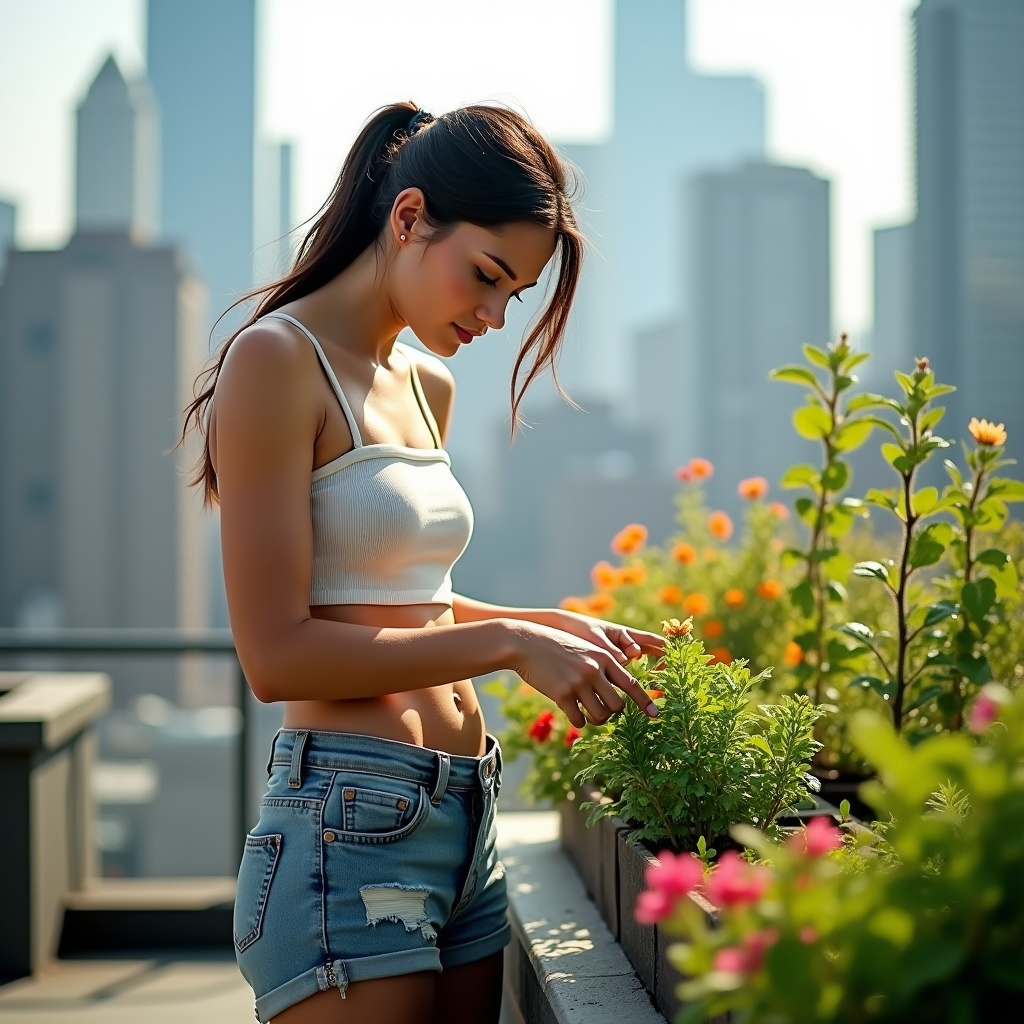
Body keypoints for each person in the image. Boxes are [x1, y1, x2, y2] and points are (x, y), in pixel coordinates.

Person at [181, 101, 664, 1024]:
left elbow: (401, 602)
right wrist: (511, 646)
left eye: (515, 294)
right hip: (348, 828)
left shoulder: (425, 382)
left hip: (465, 813)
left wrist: (544, 625)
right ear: (409, 217)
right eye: (485, 275)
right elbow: (277, 656)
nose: (494, 315)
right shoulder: (276, 359)